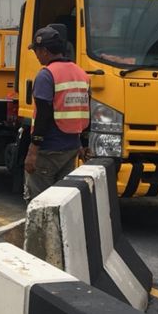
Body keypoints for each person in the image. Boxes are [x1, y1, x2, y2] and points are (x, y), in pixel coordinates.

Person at [23, 25, 90, 202]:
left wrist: (33, 150)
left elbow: (43, 115)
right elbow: (80, 111)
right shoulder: (81, 73)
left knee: (40, 203)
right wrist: (81, 143)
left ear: (44, 51)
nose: (36, 55)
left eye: (36, 51)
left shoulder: (46, 75)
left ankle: (42, 231)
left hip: (48, 150)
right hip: (70, 148)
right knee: (62, 202)